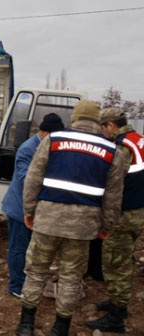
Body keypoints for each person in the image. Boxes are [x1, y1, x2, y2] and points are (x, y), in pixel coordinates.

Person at [14, 100, 125, 336]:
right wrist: (107, 226)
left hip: (47, 220)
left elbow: (33, 180)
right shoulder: (112, 150)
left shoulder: (52, 141)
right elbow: (114, 195)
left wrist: (29, 211)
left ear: (75, 117)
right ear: (97, 120)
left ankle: (26, 325)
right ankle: (60, 328)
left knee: (35, 272)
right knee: (71, 277)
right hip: (83, 226)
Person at [84, 107, 144, 333]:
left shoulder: (121, 147)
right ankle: (117, 302)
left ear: (111, 125)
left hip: (123, 215)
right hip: (137, 211)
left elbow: (112, 182)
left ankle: (117, 316)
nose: (102, 132)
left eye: (103, 127)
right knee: (123, 259)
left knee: (115, 264)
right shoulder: (138, 140)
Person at [2, 113, 65, 299]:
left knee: (32, 248)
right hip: (19, 208)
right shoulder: (28, 149)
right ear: (43, 132)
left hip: (37, 209)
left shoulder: (51, 146)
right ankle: (16, 286)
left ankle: (28, 280)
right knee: (18, 248)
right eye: (53, 135)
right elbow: (25, 180)